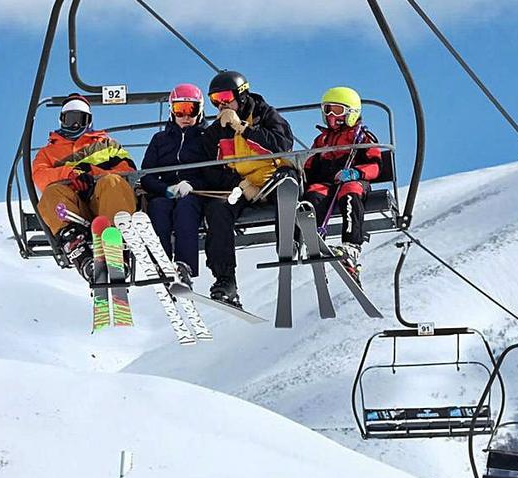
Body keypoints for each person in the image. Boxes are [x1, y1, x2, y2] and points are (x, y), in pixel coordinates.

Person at [201, 70, 294, 307]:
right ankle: (225, 280)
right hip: (243, 187)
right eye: (215, 100)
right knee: (218, 209)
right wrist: (240, 185)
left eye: (225, 97)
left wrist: (243, 128)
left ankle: (289, 243)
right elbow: (210, 170)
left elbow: (282, 145)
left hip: (274, 177)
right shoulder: (216, 131)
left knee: (287, 186)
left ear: (241, 96)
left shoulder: (265, 114)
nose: (221, 105)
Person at [32, 93, 137, 281]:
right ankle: (80, 252)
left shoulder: (106, 144)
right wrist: (69, 174)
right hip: (75, 211)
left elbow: (128, 170)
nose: (74, 124)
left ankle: (116, 246)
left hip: (103, 203)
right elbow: (40, 176)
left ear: (88, 121)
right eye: (70, 119)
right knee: (51, 193)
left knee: (113, 182)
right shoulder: (48, 153)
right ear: (62, 120)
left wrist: (92, 173)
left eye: (80, 119)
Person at [302, 86, 386, 285]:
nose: (331, 115)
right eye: (328, 110)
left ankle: (351, 247)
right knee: (313, 195)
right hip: (326, 182)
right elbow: (309, 165)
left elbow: (376, 165)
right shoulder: (322, 139)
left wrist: (356, 172)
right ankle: (313, 241)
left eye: (337, 110)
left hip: (353, 181)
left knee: (350, 190)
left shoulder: (362, 137)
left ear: (351, 112)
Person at [140, 83, 213, 278]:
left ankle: (184, 267)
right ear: (172, 111)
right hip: (165, 191)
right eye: (179, 110)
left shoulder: (207, 138)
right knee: (158, 207)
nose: (186, 117)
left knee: (185, 208)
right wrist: (167, 189)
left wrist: (192, 186)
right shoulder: (160, 139)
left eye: (191, 110)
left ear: (201, 110)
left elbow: (212, 172)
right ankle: (161, 263)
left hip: (194, 193)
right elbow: (147, 175)